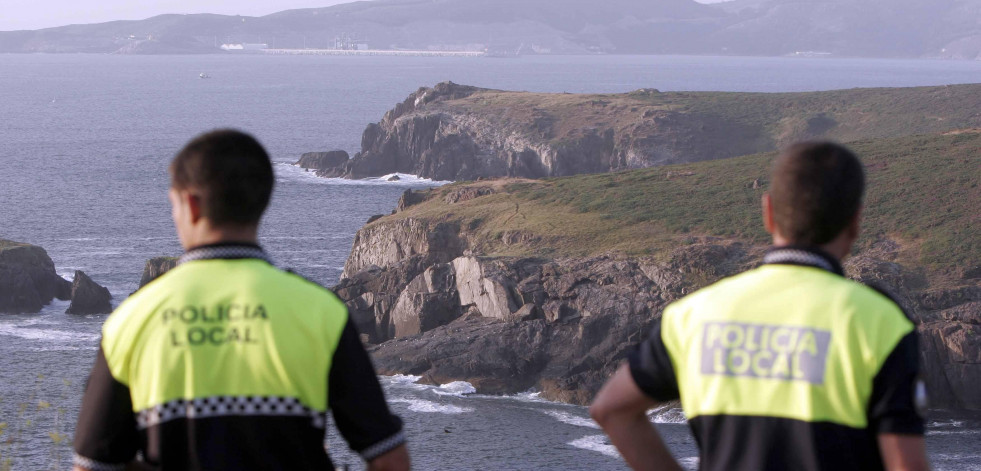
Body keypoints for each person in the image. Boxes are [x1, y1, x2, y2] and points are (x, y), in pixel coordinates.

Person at [73, 130, 410, 471]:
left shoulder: (131, 321)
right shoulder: (321, 312)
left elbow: (91, 466)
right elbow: (389, 458)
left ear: (189, 205)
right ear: (262, 200)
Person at [589, 142, 929, 471]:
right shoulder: (880, 321)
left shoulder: (693, 315)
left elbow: (611, 410)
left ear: (768, 213)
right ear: (855, 221)